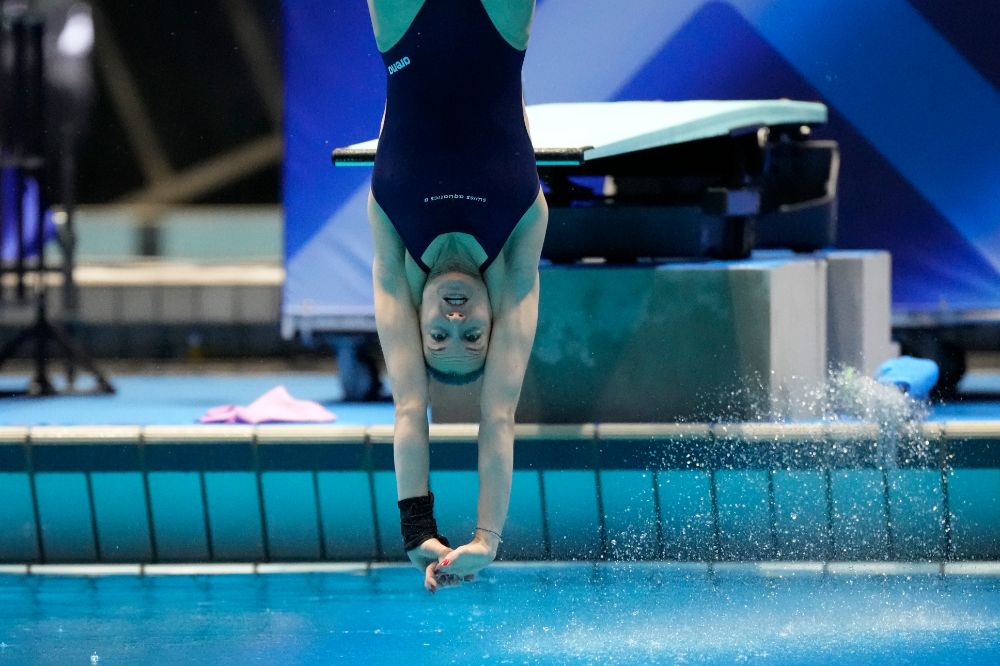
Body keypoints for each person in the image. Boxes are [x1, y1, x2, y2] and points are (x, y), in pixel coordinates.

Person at [366, 0, 546, 592]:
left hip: (405, 31)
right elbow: (497, 415)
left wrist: (416, 531)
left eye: (439, 334)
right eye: (472, 334)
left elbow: (409, 408)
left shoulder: (395, 250)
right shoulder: (516, 244)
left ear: (414, 318)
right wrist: (486, 539)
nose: (455, 317)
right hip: (497, 30)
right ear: (496, 318)